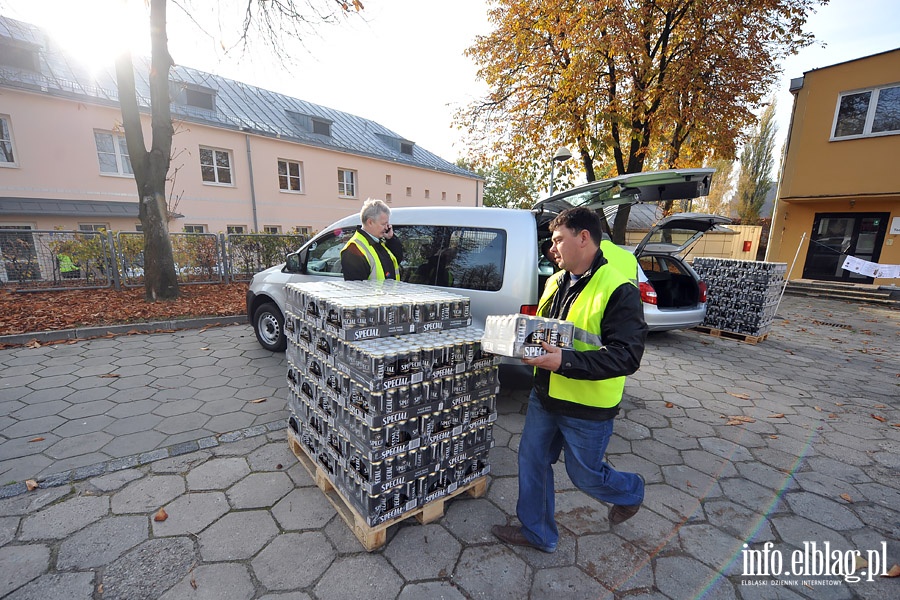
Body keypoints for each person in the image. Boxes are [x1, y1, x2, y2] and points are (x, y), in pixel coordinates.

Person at [492, 207, 649, 554]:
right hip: (545, 395)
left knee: (585, 476)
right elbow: (548, 332)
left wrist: (564, 360)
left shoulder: (618, 289)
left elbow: (627, 355)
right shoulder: (555, 280)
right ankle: (537, 532)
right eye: (552, 241)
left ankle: (631, 490)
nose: (553, 248)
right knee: (532, 460)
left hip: (587, 406)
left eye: (559, 240)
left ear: (584, 238)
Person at [341, 198, 404, 281]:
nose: (387, 227)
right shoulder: (354, 249)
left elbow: (396, 260)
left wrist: (391, 239)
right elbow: (357, 289)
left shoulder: (378, 242)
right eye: (383, 224)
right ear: (370, 222)